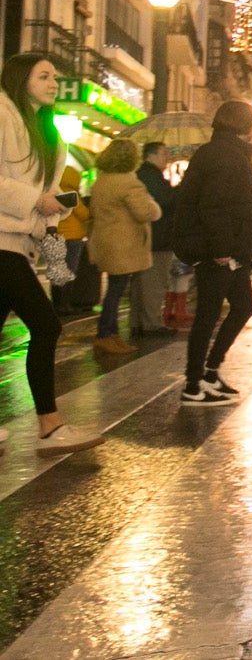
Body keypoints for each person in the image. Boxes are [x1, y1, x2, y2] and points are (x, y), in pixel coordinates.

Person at [0, 52, 106, 455]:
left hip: (18, 243)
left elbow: (45, 198)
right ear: (19, 78)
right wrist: (35, 200)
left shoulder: (50, 133)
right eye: (43, 75)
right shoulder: (3, 113)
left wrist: (52, 214)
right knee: (46, 326)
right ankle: (49, 426)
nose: (53, 82)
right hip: (1, 242)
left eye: (54, 76)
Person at [170, 100, 252, 407]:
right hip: (218, 251)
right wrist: (223, 249)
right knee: (208, 315)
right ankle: (193, 384)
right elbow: (216, 206)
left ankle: (209, 372)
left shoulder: (226, 154)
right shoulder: (226, 157)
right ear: (244, 127)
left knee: (242, 306)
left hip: (228, 250)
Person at [86, 138, 163, 354]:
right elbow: (146, 212)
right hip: (123, 244)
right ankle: (104, 334)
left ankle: (111, 334)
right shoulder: (129, 182)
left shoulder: (102, 181)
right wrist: (152, 202)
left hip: (105, 241)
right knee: (115, 292)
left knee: (114, 290)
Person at [133, 142, 178, 335]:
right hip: (157, 237)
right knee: (154, 282)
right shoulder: (150, 176)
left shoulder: (147, 175)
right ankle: (152, 324)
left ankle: (139, 323)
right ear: (151, 155)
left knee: (142, 283)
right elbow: (165, 201)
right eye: (163, 153)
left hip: (151, 237)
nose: (166, 157)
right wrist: (179, 189)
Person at [51, 165, 91, 316]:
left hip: (55, 235)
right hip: (72, 238)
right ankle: (64, 305)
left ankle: (56, 304)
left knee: (56, 271)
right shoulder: (70, 193)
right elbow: (83, 214)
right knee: (69, 271)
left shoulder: (53, 190)